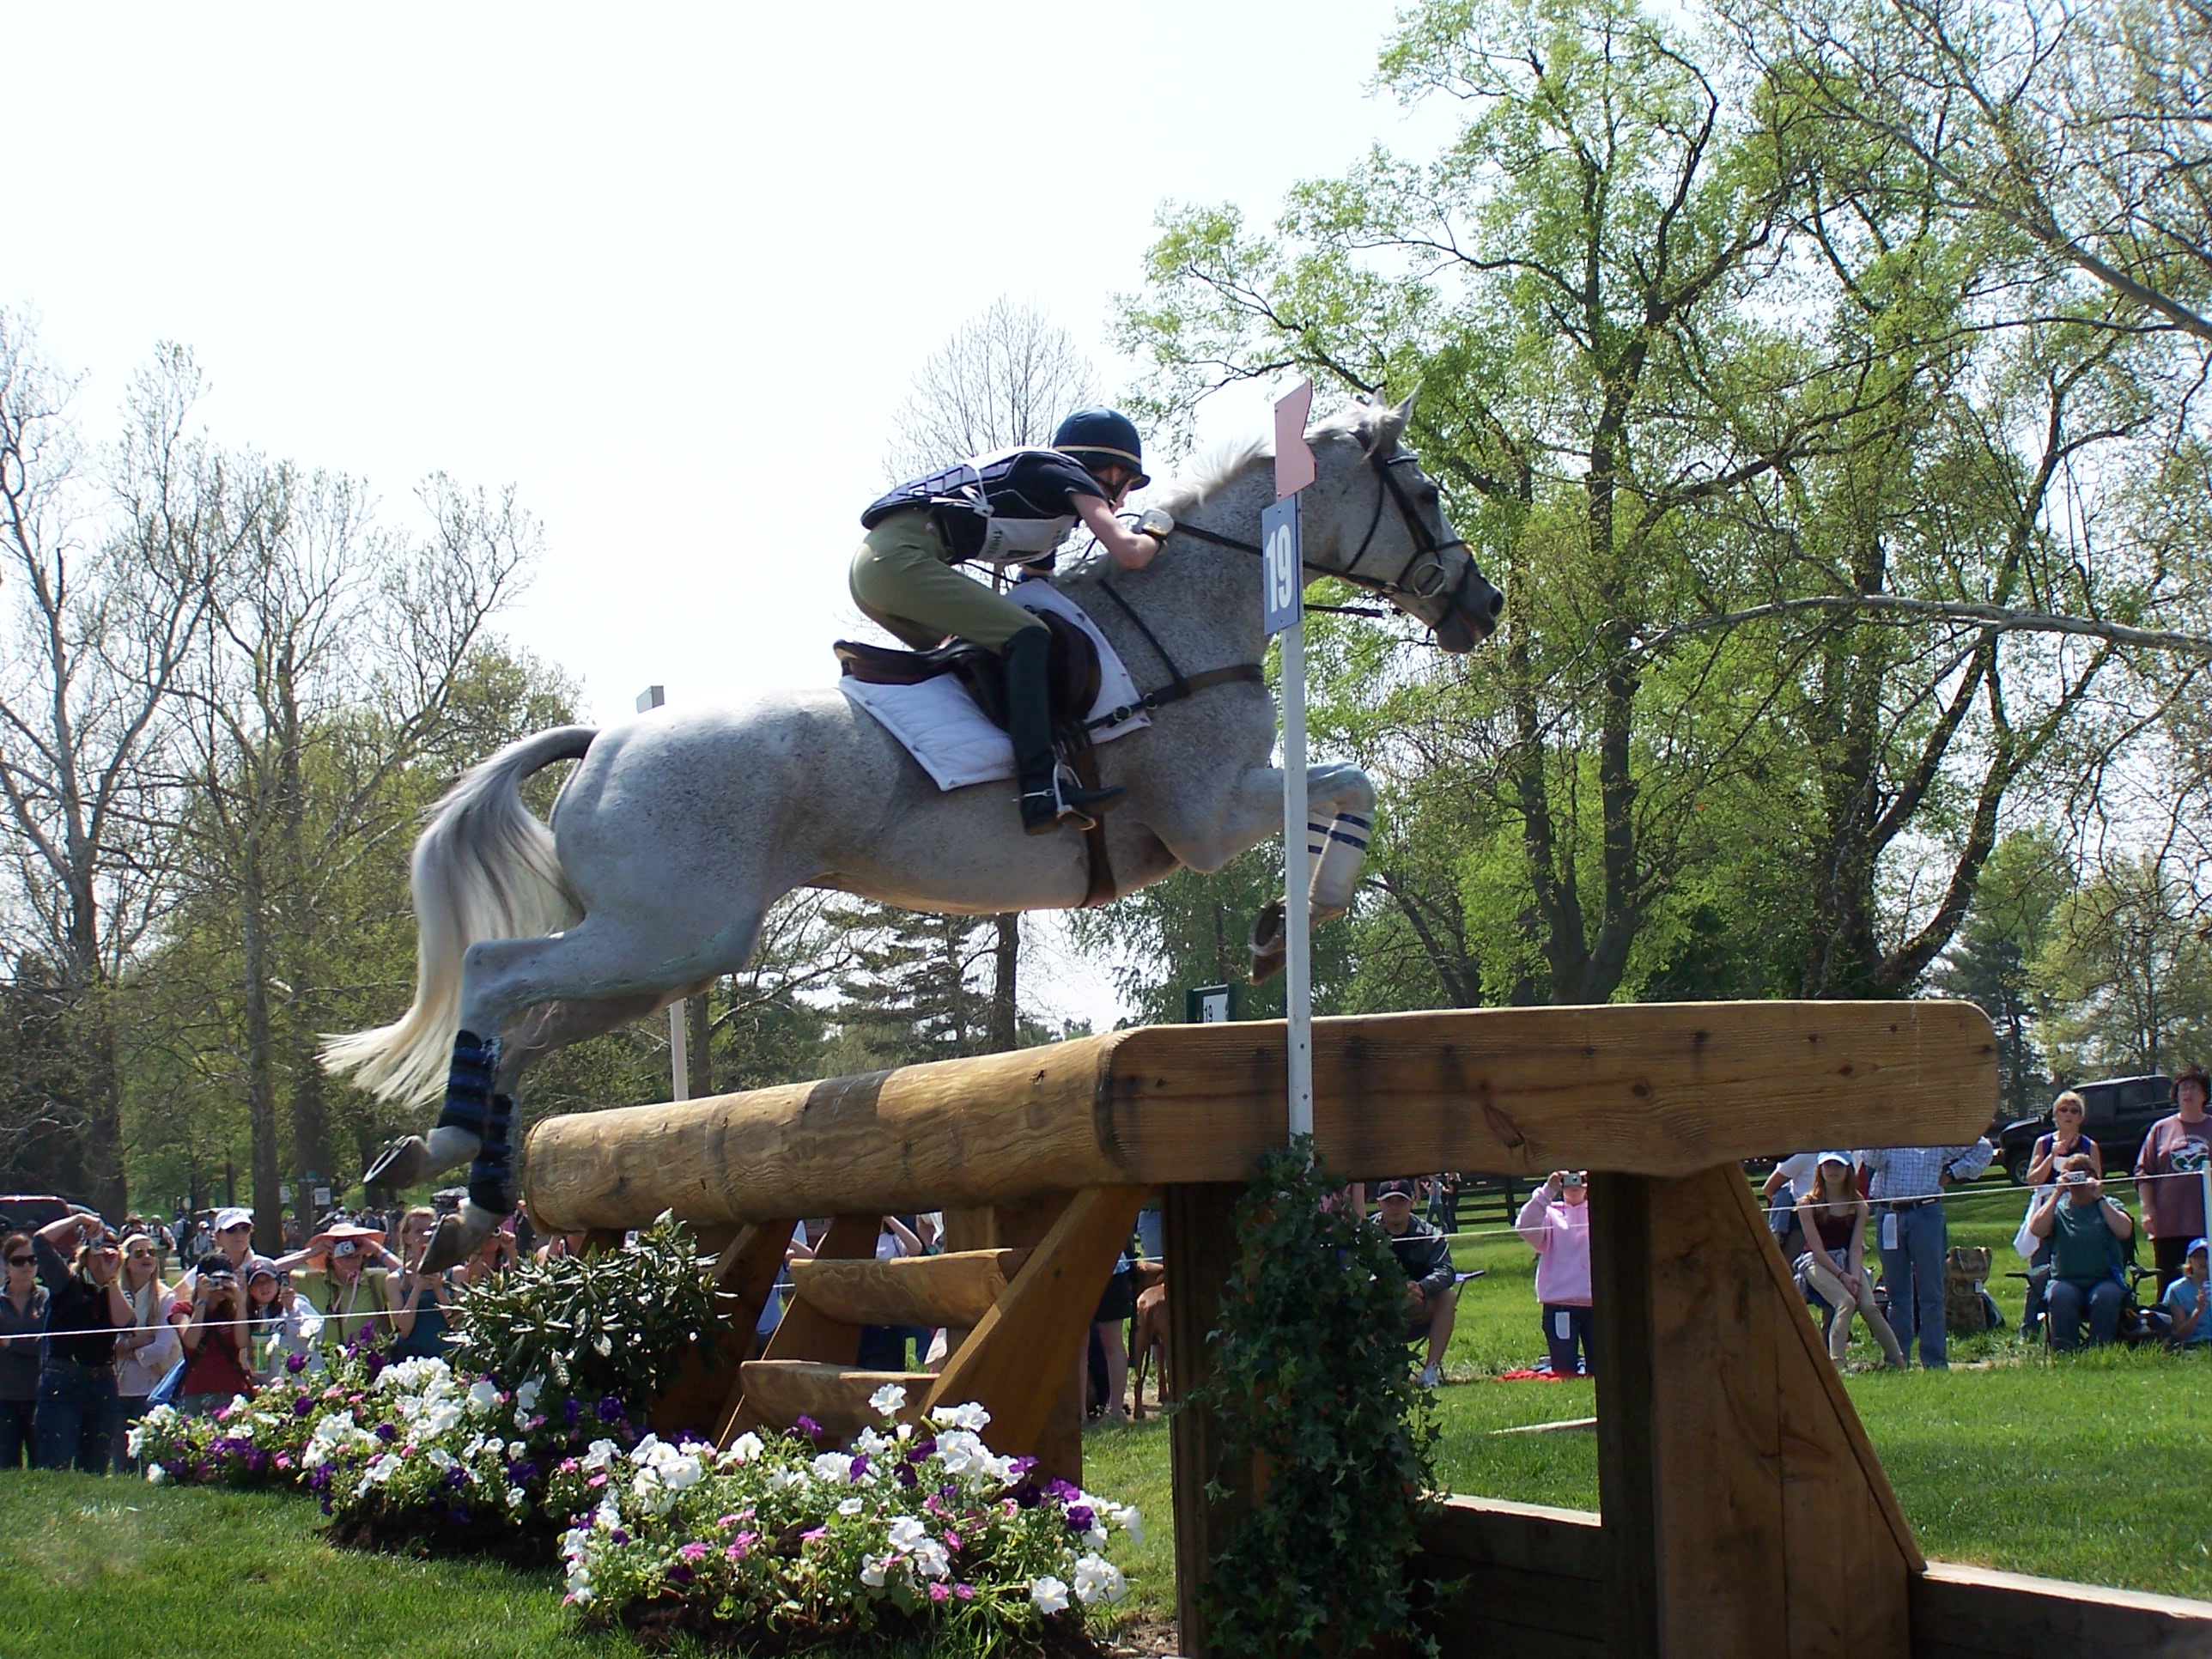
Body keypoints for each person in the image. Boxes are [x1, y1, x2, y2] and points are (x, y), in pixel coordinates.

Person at [852, 407, 1167, 832]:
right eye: (1128, 484)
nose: (1125, 500)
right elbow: (1129, 553)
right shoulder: (1066, 473)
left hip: (879, 570)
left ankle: (972, 781)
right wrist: (1158, 532)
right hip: (899, 559)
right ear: (1111, 471)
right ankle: (1041, 790)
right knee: (1028, 636)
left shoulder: (1048, 505)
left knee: (985, 660)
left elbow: (1036, 585)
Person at [1858, 1136, 1993, 1369]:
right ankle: (1897, 1359)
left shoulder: (1936, 1133)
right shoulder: (1887, 1131)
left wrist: (1952, 1172)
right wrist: (1883, 1134)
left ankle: (1934, 1360)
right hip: (1889, 1213)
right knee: (1896, 1293)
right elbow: (1872, 1160)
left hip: (1926, 1212)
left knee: (1931, 1292)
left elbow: (1982, 1148)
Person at [30, 1213, 132, 1471]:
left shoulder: (116, 1292)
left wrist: (110, 1280)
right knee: (56, 1461)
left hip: (103, 1382)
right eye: (99, 1249)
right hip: (63, 1380)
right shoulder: (66, 1283)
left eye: (112, 1250)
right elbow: (40, 1241)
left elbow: (126, 1323)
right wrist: (77, 1219)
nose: (105, 1255)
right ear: (85, 1254)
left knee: (96, 1464)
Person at [1792, 1154, 1905, 1368]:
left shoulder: (1859, 1205)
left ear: (1848, 1170)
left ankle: (1899, 1362)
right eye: (1828, 1165)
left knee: (1869, 1307)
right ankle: (1838, 1366)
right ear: (1820, 1170)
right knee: (1845, 1302)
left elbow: (1855, 1246)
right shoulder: (1807, 1203)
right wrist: (1842, 1276)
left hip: (1848, 1260)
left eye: (1839, 1165)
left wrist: (1854, 1276)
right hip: (1816, 1261)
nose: (1833, 1170)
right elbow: (1816, 1248)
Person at [2028, 1153, 2135, 1351]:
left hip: (2104, 1280)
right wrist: (2057, 1193)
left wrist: (2099, 1197)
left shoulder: (2110, 1205)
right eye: (2071, 1175)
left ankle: (2100, 1351)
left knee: (2107, 1296)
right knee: (2060, 1295)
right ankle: (2065, 1352)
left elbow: (2124, 1231)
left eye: (2081, 1174)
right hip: (2066, 1280)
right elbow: (2037, 1230)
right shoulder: (2059, 1209)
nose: (2076, 1180)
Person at [2135, 1066, 2212, 1294]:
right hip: (2169, 1222)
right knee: (2169, 1284)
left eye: (2193, 1088)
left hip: (2205, 1220)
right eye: (2182, 1089)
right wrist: (2147, 1209)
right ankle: (2170, 1317)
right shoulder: (2160, 1129)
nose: (2187, 1093)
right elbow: (2144, 1172)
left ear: (2204, 1095)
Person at [1374, 1179, 1458, 1388]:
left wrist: (1422, 1288)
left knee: (1448, 1297)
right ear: (1378, 1203)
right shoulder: (1366, 1234)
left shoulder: (1430, 1234)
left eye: (1401, 1201)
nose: (1395, 1208)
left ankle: (1430, 1370)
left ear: (1412, 1201)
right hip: (1378, 1309)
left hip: (1419, 1308)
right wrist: (1389, 1291)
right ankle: (1377, 1369)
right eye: (1389, 1202)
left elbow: (1446, 1270)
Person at [111, 1231, 179, 1471]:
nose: (148, 1257)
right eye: (139, 1253)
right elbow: (108, 1344)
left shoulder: (166, 1296)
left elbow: (161, 1348)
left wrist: (126, 1349)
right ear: (126, 1261)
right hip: (117, 1388)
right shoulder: (114, 1294)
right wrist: (137, 1342)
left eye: (152, 1252)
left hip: (152, 1389)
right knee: (121, 1465)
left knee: (150, 1461)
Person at [1516, 1171, 1595, 1378]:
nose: (1575, 1183)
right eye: (1568, 1180)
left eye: (1581, 1179)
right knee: (1564, 1371)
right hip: (1560, 1306)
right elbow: (1525, 1226)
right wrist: (1548, 1190)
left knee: (1603, 1370)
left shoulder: (1600, 1213)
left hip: (1597, 1307)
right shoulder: (1550, 1214)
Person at [283, 1225, 396, 1351]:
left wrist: (377, 1249)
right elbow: (271, 1271)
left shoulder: (376, 1281)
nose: (349, 1250)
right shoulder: (311, 1281)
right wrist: (312, 1251)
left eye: (354, 1245)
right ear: (330, 1256)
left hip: (370, 1358)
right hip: (324, 1360)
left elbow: (408, 1276)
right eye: (341, 1246)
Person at [169, 1253, 256, 1414]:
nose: (220, 1286)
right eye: (215, 1280)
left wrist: (240, 1301)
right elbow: (191, 1341)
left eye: (226, 1280)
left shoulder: (235, 1313)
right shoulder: (183, 1309)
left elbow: (242, 1343)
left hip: (232, 1390)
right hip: (196, 1391)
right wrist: (202, 1300)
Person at [0, 1232, 48, 1469]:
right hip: (4, 1397)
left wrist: (11, 1344)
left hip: (42, 1395)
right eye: (19, 1261)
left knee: (43, 1466)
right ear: (5, 1266)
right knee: (6, 1469)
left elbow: (47, 1345)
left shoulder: (47, 1298)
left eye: (32, 1259)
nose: (27, 1266)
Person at [385, 1206, 457, 1363]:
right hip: (411, 1359)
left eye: (431, 1230)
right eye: (418, 1231)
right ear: (406, 1238)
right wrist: (417, 1289)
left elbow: (458, 1325)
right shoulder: (395, 1280)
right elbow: (403, 1331)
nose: (426, 1236)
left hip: (449, 1357)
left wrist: (438, 1289)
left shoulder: (456, 1273)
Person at [244, 1266, 313, 1380]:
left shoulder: (298, 1301)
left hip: (302, 1378)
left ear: (278, 1282)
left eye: (268, 1280)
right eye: (258, 1282)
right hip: (270, 1382)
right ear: (250, 1289)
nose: (264, 1286)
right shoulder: (248, 1313)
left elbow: (314, 1329)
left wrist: (291, 1309)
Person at [2156, 1238, 2209, 1348]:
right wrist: (2198, 1311)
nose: (2203, 1260)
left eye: (2207, 1255)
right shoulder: (2177, 1290)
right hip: (2194, 1343)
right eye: (2198, 1256)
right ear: (2190, 1261)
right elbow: (2178, 1334)